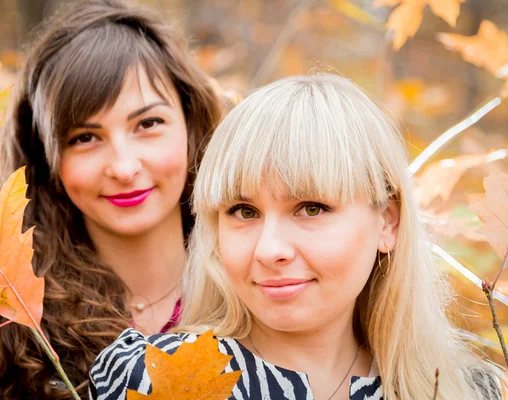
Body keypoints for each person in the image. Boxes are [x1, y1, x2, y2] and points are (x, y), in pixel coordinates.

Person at [89, 74, 504, 400]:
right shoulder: (148, 379)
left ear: (387, 223)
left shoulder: (464, 389)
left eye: (311, 208)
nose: (270, 250)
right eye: (244, 211)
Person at [0, 0, 222, 398]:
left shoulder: (256, 292)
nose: (123, 166)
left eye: (148, 123)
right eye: (85, 138)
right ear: (47, 160)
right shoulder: (10, 328)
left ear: (191, 123)